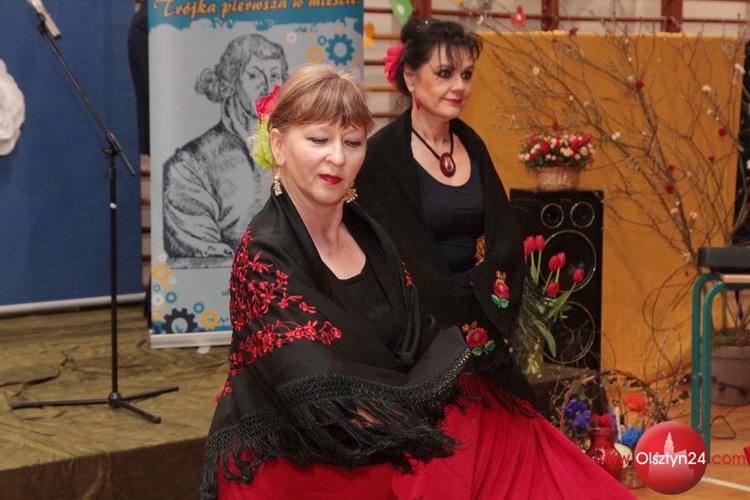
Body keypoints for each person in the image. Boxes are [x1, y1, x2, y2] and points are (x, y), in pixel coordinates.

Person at [201, 65, 635, 499]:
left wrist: (425, 401)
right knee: (463, 447)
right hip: (300, 458)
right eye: (318, 140)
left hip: (384, 425)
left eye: (352, 142)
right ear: (279, 144)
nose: (337, 157)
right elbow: (313, 386)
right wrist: (410, 415)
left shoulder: (369, 235)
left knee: (507, 427)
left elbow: (419, 337)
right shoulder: (263, 253)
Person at [358, 18, 534, 408]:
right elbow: (394, 258)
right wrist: (461, 310)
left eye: (466, 75)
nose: (460, 86)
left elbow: (505, 236)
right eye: (444, 73)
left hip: (479, 313)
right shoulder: (381, 157)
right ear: (410, 77)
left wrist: (485, 292)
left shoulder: (472, 145)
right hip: (419, 333)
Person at [163, 34, 288, 262]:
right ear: (231, 81)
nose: (269, 87)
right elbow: (201, 254)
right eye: (254, 75)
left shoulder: (303, 151)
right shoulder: (190, 164)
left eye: (275, 76)